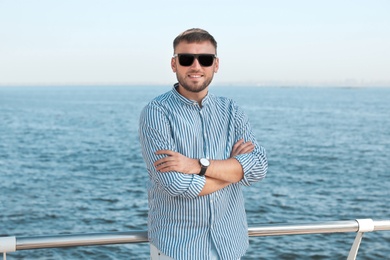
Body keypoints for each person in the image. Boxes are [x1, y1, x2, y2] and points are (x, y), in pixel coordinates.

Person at [139, 28, 268, 260]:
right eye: (187, 59)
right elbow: (175, 184)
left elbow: (258, 166)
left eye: (205, 59)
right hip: (178, 249)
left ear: (215, 65)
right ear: (174, 64)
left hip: (230, 246)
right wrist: (233, 170)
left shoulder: (232, 110)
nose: (196, 66)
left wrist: (198, 165)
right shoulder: (156, 113)